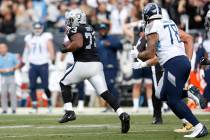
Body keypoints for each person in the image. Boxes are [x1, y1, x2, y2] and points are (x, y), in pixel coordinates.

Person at [131, 3, 208, 138]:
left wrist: (137, 55)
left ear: (147, 15)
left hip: (173, 65)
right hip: (181, 62)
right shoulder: (170, 23)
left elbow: (150, 52)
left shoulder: (151, 26)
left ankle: (199, 126)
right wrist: (143, 65)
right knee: (160, 94)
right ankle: (189, 93)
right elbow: (164, 53)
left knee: (173, 100)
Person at [58, 9, 130, 133]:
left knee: (64, 83)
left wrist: (66, 49)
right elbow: (78, 40)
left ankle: (69, 111)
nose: (69, 22)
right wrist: (68, 44)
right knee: (105, 93)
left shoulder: (75, 29)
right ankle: (122, 114)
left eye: (71, 19)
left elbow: (78, 43)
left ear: (77, 19)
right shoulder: (89, 28)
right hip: (96, 65)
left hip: (83, 64)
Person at [23, 22, 55, 113]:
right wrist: (25, 63)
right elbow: (26, 51)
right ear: (33, 29)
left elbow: (51, 49)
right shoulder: (29, 38)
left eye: (39, 28)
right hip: (32, 64)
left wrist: (52, 62)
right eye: (36, 28)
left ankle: (49, 103)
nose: (37, 30)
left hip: (44, 64)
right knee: (32, 86)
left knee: (45, 86)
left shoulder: (46, 36)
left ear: (42, 28)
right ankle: (34, 106)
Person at [96, 23, 122, 112]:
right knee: (104, 88)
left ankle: (115, 106)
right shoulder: (97, 40)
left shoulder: (112, 38)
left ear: (107, 30)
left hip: (111, 66)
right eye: (101, 30)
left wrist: (110, 44)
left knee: (112, 86)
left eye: (104, 29)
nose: (102, 31)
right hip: (101, 67)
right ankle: (108, 106)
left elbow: (120, 45)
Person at [0, 43, 20, 114]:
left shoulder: (12, 56)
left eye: (3, 48)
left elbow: (18, 64)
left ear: (6, 48)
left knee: (12, 93)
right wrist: (6, 70)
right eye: (0, 48)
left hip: (11, 76)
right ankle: (4, 109)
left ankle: (14, 109)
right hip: (3, 77)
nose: (1, 50)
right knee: (3, 93)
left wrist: (14, 68)